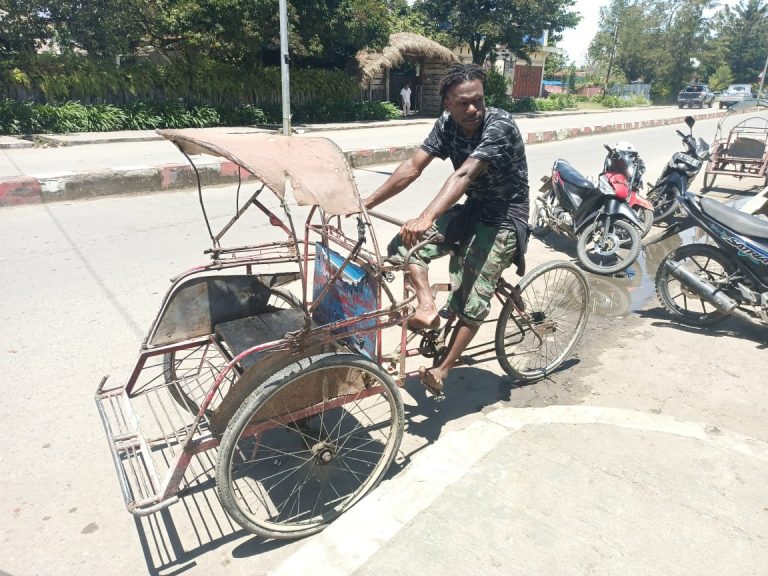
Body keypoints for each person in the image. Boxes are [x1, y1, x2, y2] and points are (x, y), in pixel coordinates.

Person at [363, 63, 530, 396]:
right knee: (404, 246)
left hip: (504, 216)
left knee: (472, 296)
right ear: (447, 104)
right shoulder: (446, 125)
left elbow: (464, 174)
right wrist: (365, 203)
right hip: (474, 208)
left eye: (478, 100)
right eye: (463, 103)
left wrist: (426, 216)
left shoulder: (499, 125)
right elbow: (413, 167)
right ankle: (427, 307)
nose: (472, 110)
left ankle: (442, 370)